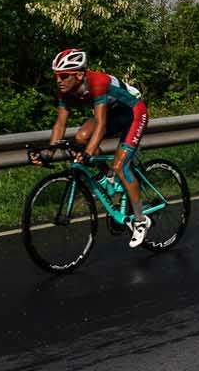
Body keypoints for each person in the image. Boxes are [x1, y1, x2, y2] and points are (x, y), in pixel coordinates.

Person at [42, 49, 151, 246]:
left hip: (134, 112)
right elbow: (60, 124)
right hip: (114, 112)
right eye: (56, 76)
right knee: (80, 137)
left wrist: (88, 154)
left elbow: (100, 124)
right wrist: (49, 152)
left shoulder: (98, 82)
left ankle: (141, 220)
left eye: (64, 76)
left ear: (79, 75)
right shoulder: (64, 90)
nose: (59, 80)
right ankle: (106, 176)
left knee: (121, 166)